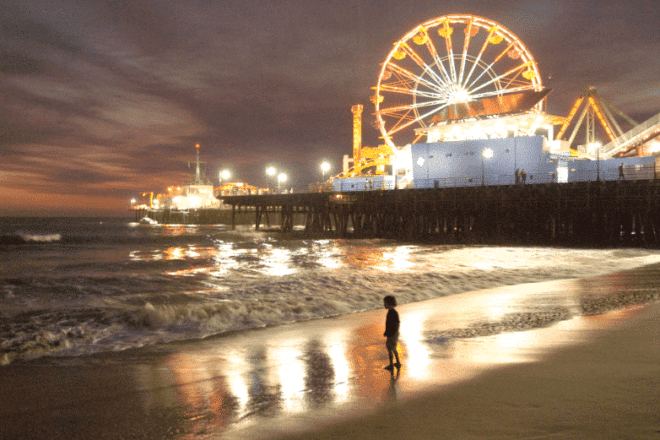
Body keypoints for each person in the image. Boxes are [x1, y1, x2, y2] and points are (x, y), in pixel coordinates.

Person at [383, 295, 401, 371]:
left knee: (392, 347)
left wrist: (394, 333)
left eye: (385, 303)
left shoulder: (393, 313)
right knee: (390, 348)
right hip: (390, 333)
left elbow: (397, 323)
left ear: (390, 303)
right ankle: (394, 363)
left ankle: (395, 363)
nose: (384, 305)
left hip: (393, 334)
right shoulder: (390, 312)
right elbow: (388, 324)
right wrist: (386, 332)